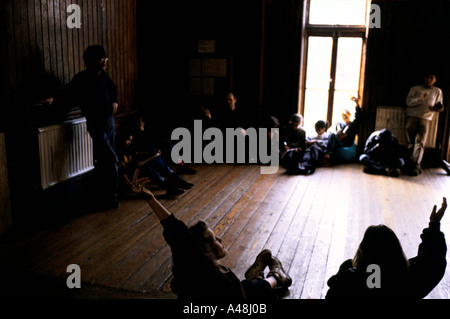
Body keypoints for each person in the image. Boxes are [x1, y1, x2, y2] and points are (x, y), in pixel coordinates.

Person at [124, 169, 292, 300]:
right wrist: (151, 200)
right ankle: (277, 277)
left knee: (246, 286)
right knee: (251, 289)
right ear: (203, 252)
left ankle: (262, 278)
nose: (220, 240)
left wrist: (151, 199)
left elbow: (179, 236)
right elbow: (178, 234)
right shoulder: (211, 275)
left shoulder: (194, 274)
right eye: (214, 239)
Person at [41, 45, 120, 210]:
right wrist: (53, 98)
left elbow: (113, 89)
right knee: (111, 159)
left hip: (109, 122)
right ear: (93, 62)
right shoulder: (82, 79)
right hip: (97, 125)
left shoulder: (104, 76)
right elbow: (66, 92)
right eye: (102, 59)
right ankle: (111, 198)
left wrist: (115, 101)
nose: (105, 62)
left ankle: (104, 196)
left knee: (104, 161)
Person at [325, 197, 447, 299]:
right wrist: (434, 224)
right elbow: (433, 260)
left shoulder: (348, 279)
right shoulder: (409, 279)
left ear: (363, 250)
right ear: (395, 251)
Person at [405, 73, 444, 176]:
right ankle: (409, 164)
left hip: (425, 119)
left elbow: (440, 106)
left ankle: (415, 166)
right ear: (424, 78)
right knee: (410, 142)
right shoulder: (415, 89)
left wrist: (436, 109)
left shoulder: (437, 91)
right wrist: (420, 99)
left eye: (431, 78)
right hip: (412, 117)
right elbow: (408, 102)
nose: (428, 80)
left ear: (435, 80)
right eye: (427, 77)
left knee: (420, 142)